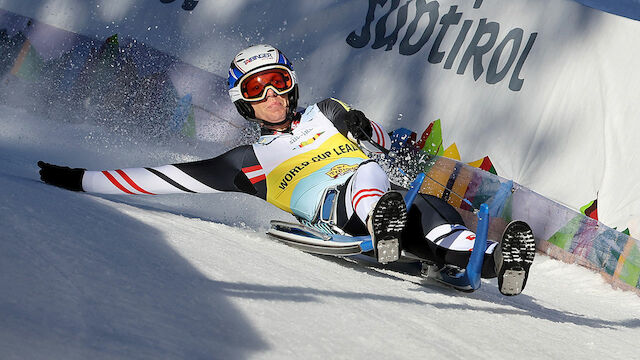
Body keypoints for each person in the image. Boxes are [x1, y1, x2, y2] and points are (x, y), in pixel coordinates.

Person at [38, 44, 534, 295]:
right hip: (337, 211)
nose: (271, 96)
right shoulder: (245, 163)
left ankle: (497, 261)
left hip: (391, 198)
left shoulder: (329, 112)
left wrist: (372, 130)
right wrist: (76, 177)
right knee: (368, 182)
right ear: (243, 104)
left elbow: (386, 143)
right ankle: (379, 221)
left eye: (276, 82)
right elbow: (157, 178)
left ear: (292, 85)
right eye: (256, 90)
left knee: (433, 214)